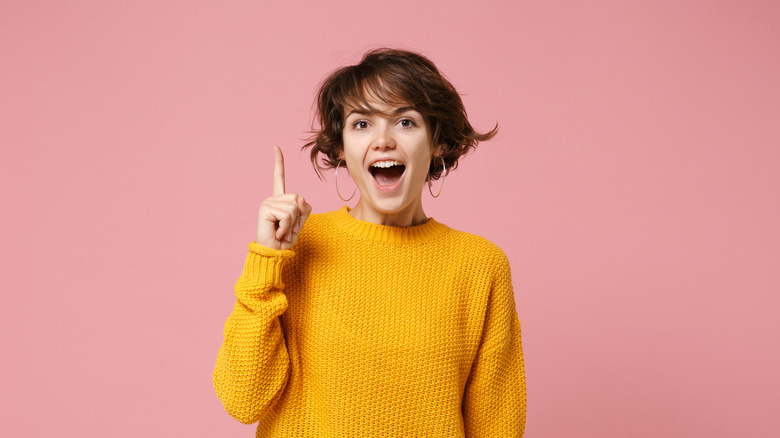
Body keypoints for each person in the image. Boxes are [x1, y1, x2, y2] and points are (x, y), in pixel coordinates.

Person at [213, 48, 526, 437]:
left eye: (405, 122)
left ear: (438, 143)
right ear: (341, 147)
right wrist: (267, 261)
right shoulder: (297, 247)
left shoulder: (480, 265)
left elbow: (496, 426)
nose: (382, 141)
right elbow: (243, 400)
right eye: (362, 124)